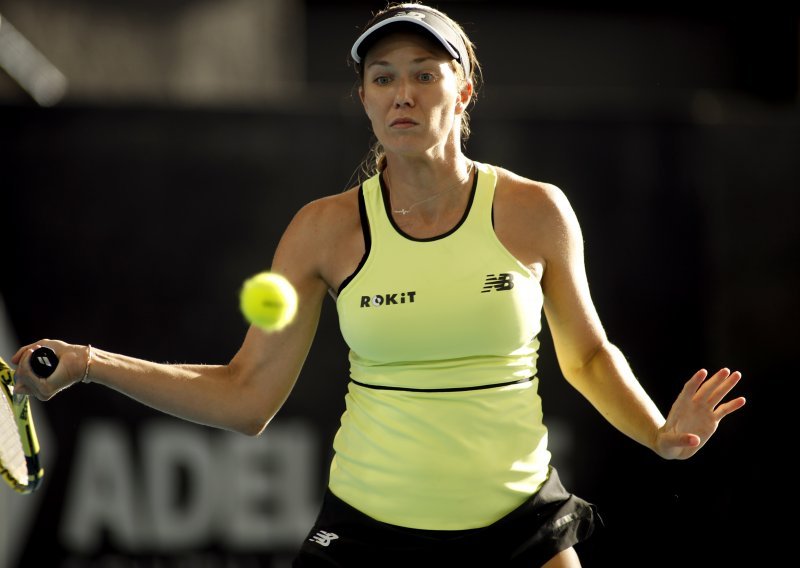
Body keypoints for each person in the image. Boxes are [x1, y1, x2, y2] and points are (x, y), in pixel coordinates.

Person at [12, 2, 746, 567]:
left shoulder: (537, 212)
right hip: (367, 537)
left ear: (464, 91)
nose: (403, 93)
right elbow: (245, 397)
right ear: (363, 99)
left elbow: (586, 357)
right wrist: (90, 363)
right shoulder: (322, 231)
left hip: (521, 532)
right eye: (383, 76)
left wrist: (658, 432)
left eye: (425, 73)